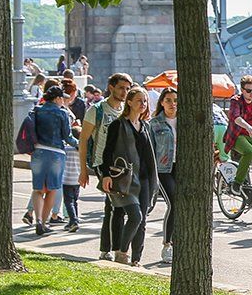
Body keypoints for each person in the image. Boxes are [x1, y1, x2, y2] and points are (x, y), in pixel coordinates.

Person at [98, 87, 159, 266]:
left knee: (142, 220)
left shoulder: (145, 126)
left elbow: (150, 155)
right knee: (135, 216)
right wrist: (106, 175)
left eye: (145, 101)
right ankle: (121, 251)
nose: (143, 104)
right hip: (124, 179)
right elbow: (107, 152)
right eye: (139, 100)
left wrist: (155, 180)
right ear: (129, 102)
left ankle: (136, 259)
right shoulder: (119, 125)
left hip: (145, 179)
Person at [81, 72, 133, 262]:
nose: (124, 92)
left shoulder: (125, 111)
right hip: (103, 164)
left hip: (123, 166)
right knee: (114, 207)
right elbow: (84, 140)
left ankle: (112, 248)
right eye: (121, 88)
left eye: (128, 89)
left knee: (117, 208)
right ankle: (110, 249)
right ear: (111, 87)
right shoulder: (97, 110)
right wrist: (84, 170)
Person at [28, 85, 77, 235]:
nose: (63, 101)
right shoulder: (62, 113)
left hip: (38, 152)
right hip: (56, 153)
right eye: (62, 98)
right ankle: (43, 222)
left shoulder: (36, 110)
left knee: (38, 190)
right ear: (57, 98)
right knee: (52, 190)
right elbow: (67, 137)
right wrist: (80, 145)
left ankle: (36, 220)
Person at [148, 87, 179, 264]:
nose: (172, 104)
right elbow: (151, 149)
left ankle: (177, 241)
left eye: (175, 100)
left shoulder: (185, 121)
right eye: (168, 100)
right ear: (161, 102)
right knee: (173, 202)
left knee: (182, 205)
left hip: (181, 167)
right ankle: (167, 244)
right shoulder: (155, 123)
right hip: (163, 169)